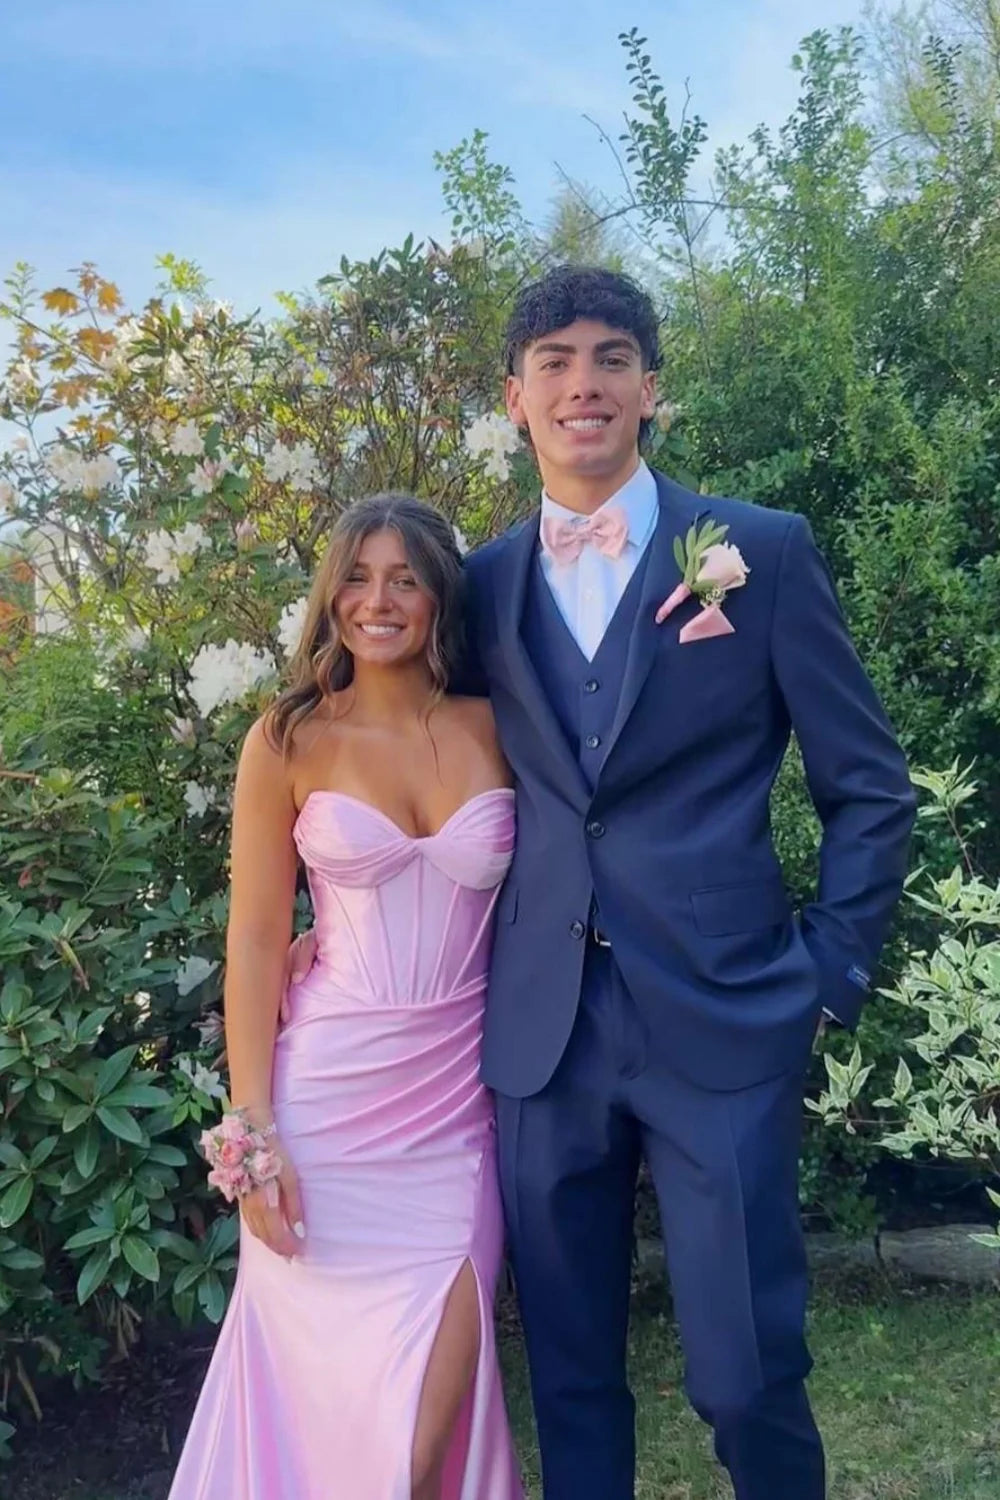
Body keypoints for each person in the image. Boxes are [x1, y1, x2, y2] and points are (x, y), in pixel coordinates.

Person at [456, 265, 917, 1499]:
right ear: (514, 398)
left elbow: (871, 788)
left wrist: (827, 973)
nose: (583, 384)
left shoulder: (757, 553)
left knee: (745, 1371)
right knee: (568, 1379)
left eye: (611, 358)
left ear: (651, 387)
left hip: (722, 1013)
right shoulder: (478, 588)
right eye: (553, 363)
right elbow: (424, 780)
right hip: (543, 1031)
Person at [168, 494, 524, 1500]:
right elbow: (253, 941)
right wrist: (253, 1135)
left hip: (455, 1119)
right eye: (358, 578)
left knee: (417, 1442)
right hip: (324, 1116)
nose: (379, 601)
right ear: (331, 598)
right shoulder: (287, 740)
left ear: (439, 595)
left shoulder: (502, 727)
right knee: (324, 1423)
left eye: (405, 579)